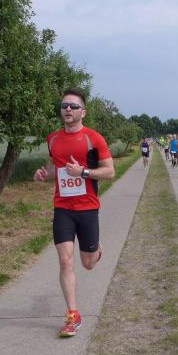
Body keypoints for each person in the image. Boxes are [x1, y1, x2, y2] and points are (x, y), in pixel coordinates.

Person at [33, 88, 115, 337]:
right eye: (64, 105)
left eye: (73, 106)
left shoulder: (94, 139)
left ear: (83, 112)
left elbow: (110, 172)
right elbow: (55, 167)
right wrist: (44, 174)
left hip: (88, 208)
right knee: (65, 261)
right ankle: (73, 315)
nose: (68, 109)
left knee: (87, 264)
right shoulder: (52, 139)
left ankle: (96, 250)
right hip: (63, 208)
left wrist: (84, 173)